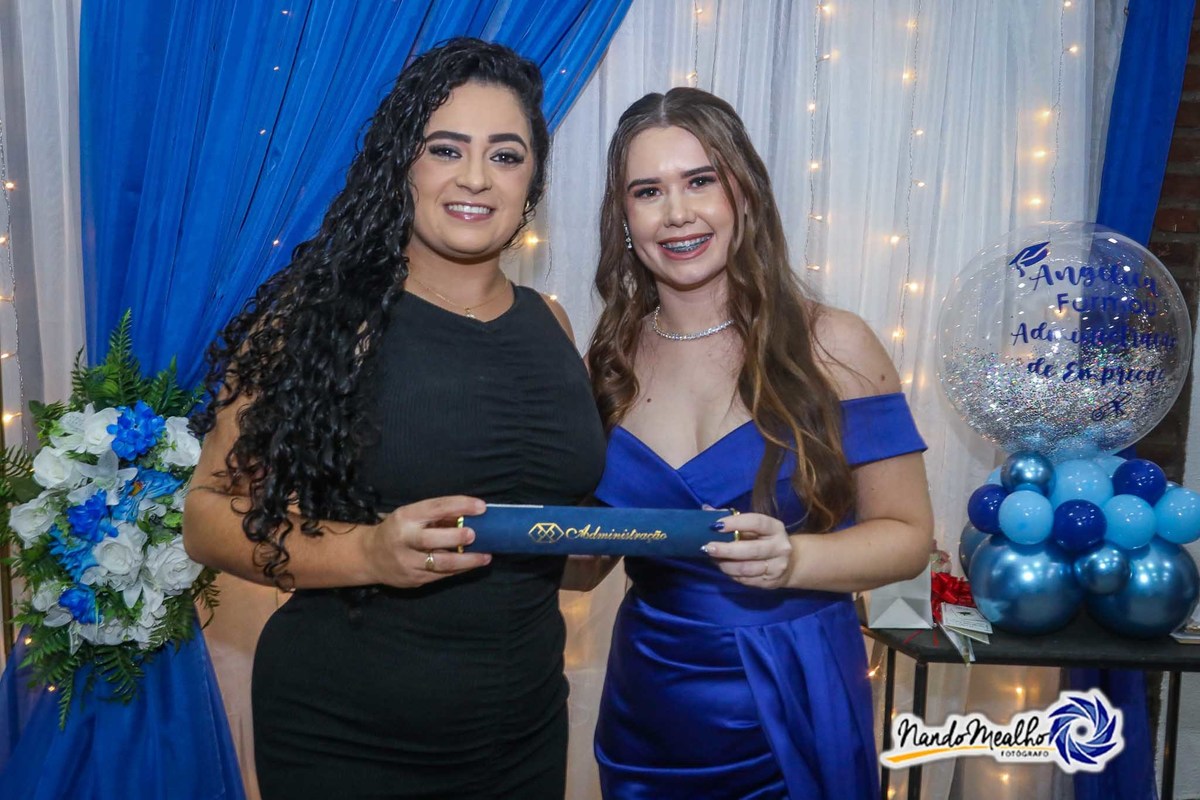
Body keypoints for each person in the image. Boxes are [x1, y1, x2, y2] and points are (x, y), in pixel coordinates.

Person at [182, 38, 606, 800]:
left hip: (523, 732)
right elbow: (206, 518)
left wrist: (614, 541)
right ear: (401, 163)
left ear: (533, 180)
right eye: (445, 148)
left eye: (505, 155)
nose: (475, 177)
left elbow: (543, 539)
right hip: (347, 735)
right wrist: (369, 552)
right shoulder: (318, 315)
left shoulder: (553, 322)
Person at [585, 87, 935, 799]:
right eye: (647, 191)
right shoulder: (607, 363)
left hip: (796, 692)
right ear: (623, 218)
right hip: (650, 707)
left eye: (700, 181)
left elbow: (907, 537)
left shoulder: (833, 345)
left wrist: (795, 559)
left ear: (743, 193)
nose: (676, 212)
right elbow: (586, 563)